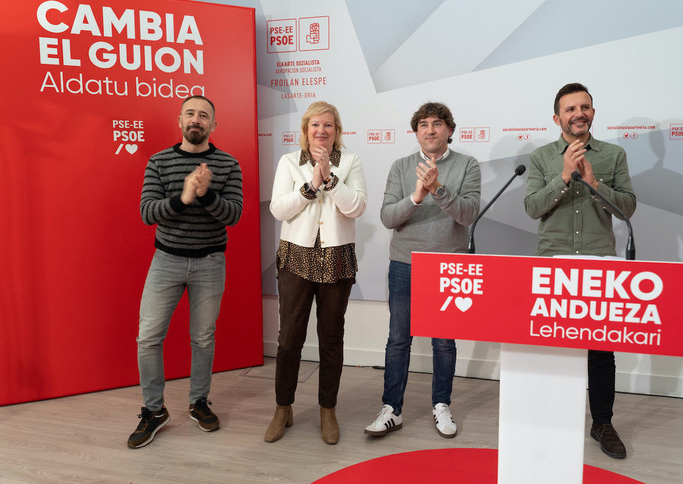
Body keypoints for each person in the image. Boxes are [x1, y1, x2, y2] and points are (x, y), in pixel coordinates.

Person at [524, 83, 636, 459]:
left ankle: (601, 422)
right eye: (570, 109)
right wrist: (563, 176)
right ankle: (550, 420)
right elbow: (532, 207)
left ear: (592, 113)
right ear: (557, 118)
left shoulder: (614, 155)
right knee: (550, 347)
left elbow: (627, 209)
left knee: (601, 351)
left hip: (599, 261)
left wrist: (593, 182)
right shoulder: (540, 157)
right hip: (552, 261)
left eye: (585, 107)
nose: (579, 114)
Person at [127, 95, 243, 449]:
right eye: (190, 114)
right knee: (148, 337)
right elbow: (148, 213)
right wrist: (184, 198)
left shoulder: (227, 164)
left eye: (204, 115)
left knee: (203, 338)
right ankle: (153, 409)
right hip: (167, 260)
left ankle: (198, 401)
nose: (197, 119)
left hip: (210, 262)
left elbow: (234, 215)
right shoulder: (159, 161)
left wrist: (206, 195)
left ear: (213, 125)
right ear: (180, 120)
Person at [365, 102, 480, 439]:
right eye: (424, 125)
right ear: (416, 132)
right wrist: (416, 196)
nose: (430, 130)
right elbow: (388, 217)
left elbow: (468, 214)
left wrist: (439, 190)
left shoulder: (467, 165)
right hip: (404, 263)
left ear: (449, 130)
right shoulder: (402, 167)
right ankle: (392, 409)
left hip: (448, 266)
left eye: (438, 124)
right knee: (398, 340)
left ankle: (441, 404)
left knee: (444, 343)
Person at [265, 101, 367, 445]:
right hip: (296, 257)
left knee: (331, 339)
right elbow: (279, 209)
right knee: (289, 338)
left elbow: (356, 207)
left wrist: (331, 179)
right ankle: (283, 407)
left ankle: (328, 409)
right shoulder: (289, 162)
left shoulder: (350, 162)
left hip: (337, 259)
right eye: (315, 125)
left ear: (337, 131)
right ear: (306, 130)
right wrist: (310, 184)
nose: (321, 131)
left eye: (328, 125)